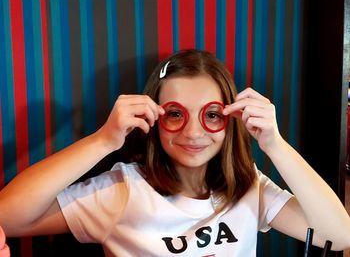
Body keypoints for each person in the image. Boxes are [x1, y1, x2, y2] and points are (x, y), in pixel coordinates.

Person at [0, 49, 349, 256]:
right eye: (175, 114)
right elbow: (8, 217)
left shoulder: (248, 187)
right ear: (154, 117)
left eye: (211, 115)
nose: (194, 131)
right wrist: (104, 140)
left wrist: (275, 144)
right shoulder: (121, 190)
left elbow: (340, 236)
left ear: (230, 119)